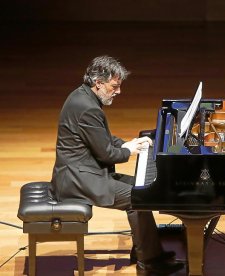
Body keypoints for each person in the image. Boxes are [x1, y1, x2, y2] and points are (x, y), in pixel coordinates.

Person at [50, 55, 184, 274]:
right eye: (115, 86)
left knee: (143, 190)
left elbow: (103, 138)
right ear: (98, 83)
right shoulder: (87, 108)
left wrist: (129, 142)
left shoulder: (84, 97)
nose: (119, 91)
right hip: (78, 179)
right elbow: (107, 154)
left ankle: (146, 251)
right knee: (138, 198)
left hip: (85, 171)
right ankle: (149, 264)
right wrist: (129, 151)